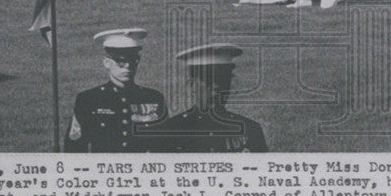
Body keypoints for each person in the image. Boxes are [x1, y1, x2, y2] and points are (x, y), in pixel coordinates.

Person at [138, 44, 268, 152]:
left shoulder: (250, 130)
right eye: (209, 80)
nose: (216, 86)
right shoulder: (169, 133)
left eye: (223, 79)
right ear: (192, 85)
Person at [63, 29, 167, 153]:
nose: (128, 66)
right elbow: (75, 147)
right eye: (121, 62)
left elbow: (165, 145)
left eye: (133, 61)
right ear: (107, 63)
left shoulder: (153, 98)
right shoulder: (89, 100)